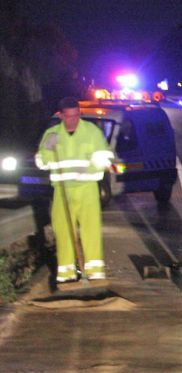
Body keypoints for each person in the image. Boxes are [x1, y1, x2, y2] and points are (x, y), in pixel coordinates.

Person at [36, 97, 114, 285]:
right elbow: (41, 162)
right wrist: (47, 149)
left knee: (91, 229)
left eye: (76, 115)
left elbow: (105, 160)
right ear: (61, 115)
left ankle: (94, 272)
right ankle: (66, 273)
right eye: (69, 116)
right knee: (63, 232)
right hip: (62, 192)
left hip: (87, 188)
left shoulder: (92, 132)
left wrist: (87, 169)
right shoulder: (52, 134)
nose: (73, 120)